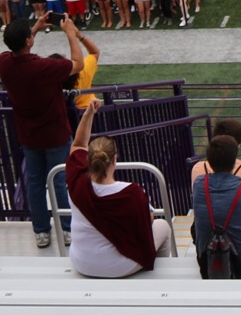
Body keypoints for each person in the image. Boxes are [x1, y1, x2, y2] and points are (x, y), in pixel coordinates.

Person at [0, 12, 83, 248]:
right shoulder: (43, 66)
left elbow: (15, 49)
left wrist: (33, 28)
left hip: (28, 135)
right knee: (59, 182)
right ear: (28, 41)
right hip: (55, 133)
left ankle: (41, 232)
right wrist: (70, 34)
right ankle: (66, 230)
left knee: (35, 183)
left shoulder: (3, 63)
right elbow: (78, 64)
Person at [66, 101, 168, 277]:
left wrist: (88, 113)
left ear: (89, 160)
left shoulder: (77, 179)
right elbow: (148, 221)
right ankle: (160, 279)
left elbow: (78, 144)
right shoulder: (131, 193)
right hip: (117, 267)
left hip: (81, 261)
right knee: (163, 226)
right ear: (115, 160)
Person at [191, 135, 241, 279]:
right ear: (235, 161)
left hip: (206, 263)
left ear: (209, 161)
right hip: (240, 264)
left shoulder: (199, 184)